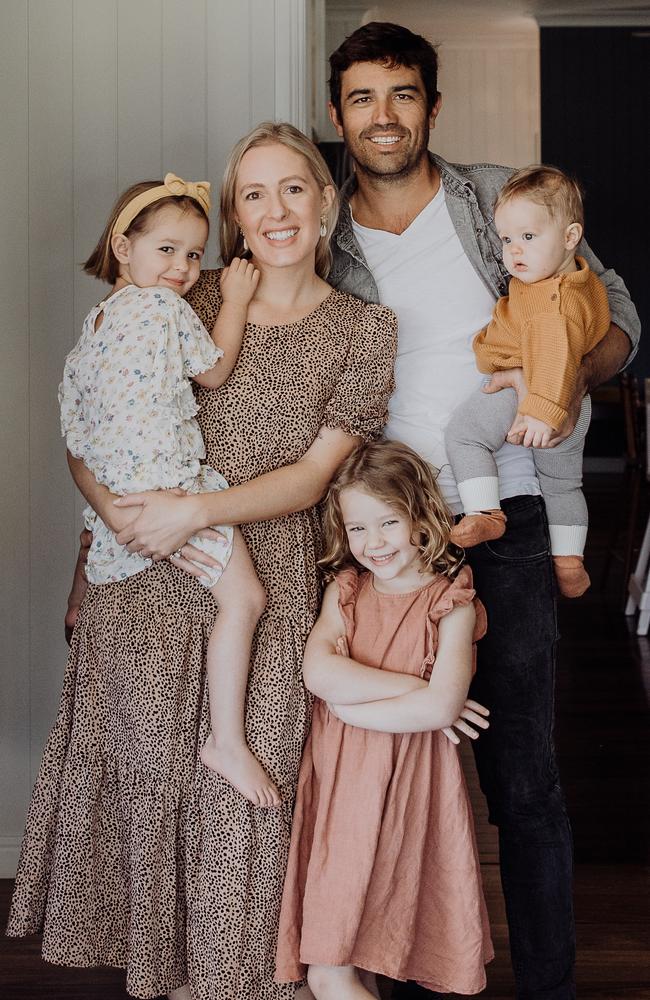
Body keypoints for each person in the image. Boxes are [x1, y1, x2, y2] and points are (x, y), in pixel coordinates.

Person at [7, 122, 397, 1000]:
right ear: (232, 215)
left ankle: (237, 982)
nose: (275, 210)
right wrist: (117, 518)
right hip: (142, 574)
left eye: (293, 188)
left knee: (244, 806)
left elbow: (309, 477)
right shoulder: (180, 285)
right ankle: (169, 980)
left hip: (268, 577)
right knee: (153, 791)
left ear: (327, 202)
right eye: (252, 194)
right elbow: (91, 431)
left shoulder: (363, 330)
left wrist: (194, 510)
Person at [326, 21, 640, 1000]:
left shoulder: (497, 198)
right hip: (387, 538)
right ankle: (423, 975)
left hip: (506, 510)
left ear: (431, 104)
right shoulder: (316, 227)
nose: (384, 115)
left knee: (522, 772)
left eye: (403, 93)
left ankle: (546, 984)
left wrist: (553, 390)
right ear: (337, 115)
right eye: (363, 97)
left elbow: (618, 318)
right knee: (402, 776)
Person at [58, 172, 278, 807]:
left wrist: (105, 508)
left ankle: (81, 587)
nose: (183, 268)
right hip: (171, 488)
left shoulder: (92, 328)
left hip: (117, 504)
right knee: (246, 597)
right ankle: (227, 741)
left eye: (193, 254)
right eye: (167, 250)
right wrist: (233, 297)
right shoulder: (161, 307)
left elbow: (76, 434)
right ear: (123, 247)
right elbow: (214, 372)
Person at [274, 440, 493, 999]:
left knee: (332, 967)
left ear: (421, 515)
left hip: (401, 790)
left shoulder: (452, 601)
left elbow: (443, 709)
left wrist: (357, 706)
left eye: (387, 523)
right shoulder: (345, 591)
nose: (372, 543)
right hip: (338, 788)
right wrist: (417, 690)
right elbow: (321, 675)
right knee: (331, 963)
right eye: (356, 529)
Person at [445, 164, 611, 599]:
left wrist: (541, 410)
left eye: (529, 238)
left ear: (571, 237)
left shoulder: (549, 299)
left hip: (537, 396)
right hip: (571, 398)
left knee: (465, 435)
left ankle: (485, 512)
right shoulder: (577, 281)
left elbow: (555, 353)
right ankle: (570, 562)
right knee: (563, 484)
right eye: (506, 239)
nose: (514, 252)